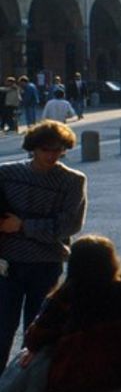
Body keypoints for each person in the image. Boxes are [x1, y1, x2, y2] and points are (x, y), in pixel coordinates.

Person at [0, 235, 121, 392]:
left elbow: (33, 339)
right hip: (114, 367)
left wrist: (34, 348)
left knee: (16, 370)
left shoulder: (66, 296)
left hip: (71, 373)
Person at [0, 121, 87, 363]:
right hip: (8, 264)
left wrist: (23, 225)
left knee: (38, 330)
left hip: (46, 262)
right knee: (3, 328)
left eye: (57, 150)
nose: (51, 155)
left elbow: (70, 225)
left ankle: (30, 384)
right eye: (45, 149)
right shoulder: (7, 174)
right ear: (33, 148)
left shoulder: (72, 181)